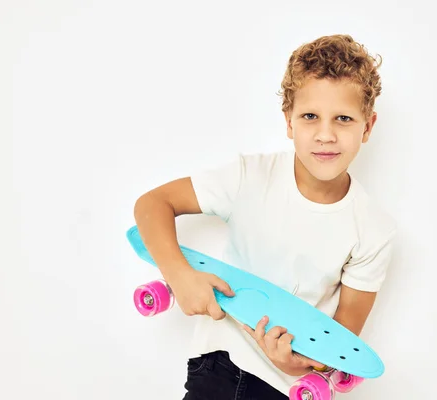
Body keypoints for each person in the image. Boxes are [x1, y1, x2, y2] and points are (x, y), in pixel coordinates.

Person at [133, 33, 397, 399]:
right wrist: (178, 275)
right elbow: (152, 204)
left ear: (367, 127)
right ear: (289, 122)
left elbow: (344, 338)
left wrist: (303, 363)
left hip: (285, 388)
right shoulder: (248, 177)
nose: (325, 134)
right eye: (310, 116)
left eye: (343, 119)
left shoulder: (373, 229)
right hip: (218, 366)